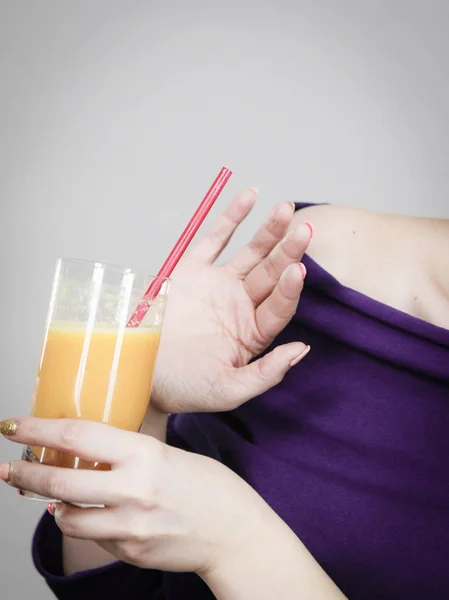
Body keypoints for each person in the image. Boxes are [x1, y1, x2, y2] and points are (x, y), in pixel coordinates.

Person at [1, 189, 448, 599]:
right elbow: (123, 590)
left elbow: (208, 529)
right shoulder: (320, 251)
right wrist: (144, 396)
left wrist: (234, 539)